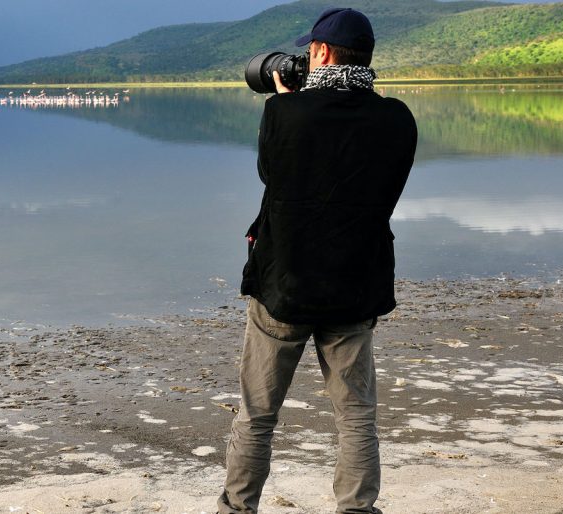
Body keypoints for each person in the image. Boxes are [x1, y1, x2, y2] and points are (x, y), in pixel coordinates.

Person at [217, 8, 417, 514]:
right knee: (356, 416)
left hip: (283, 288)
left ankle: (237, 508)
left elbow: (273, 173)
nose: (306, 57)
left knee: (258, 414)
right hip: (356, 287)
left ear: (322, 52)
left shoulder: (285, 113)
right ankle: (356, 509)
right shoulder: (397, 119)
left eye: (311, 50)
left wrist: (289, 102)